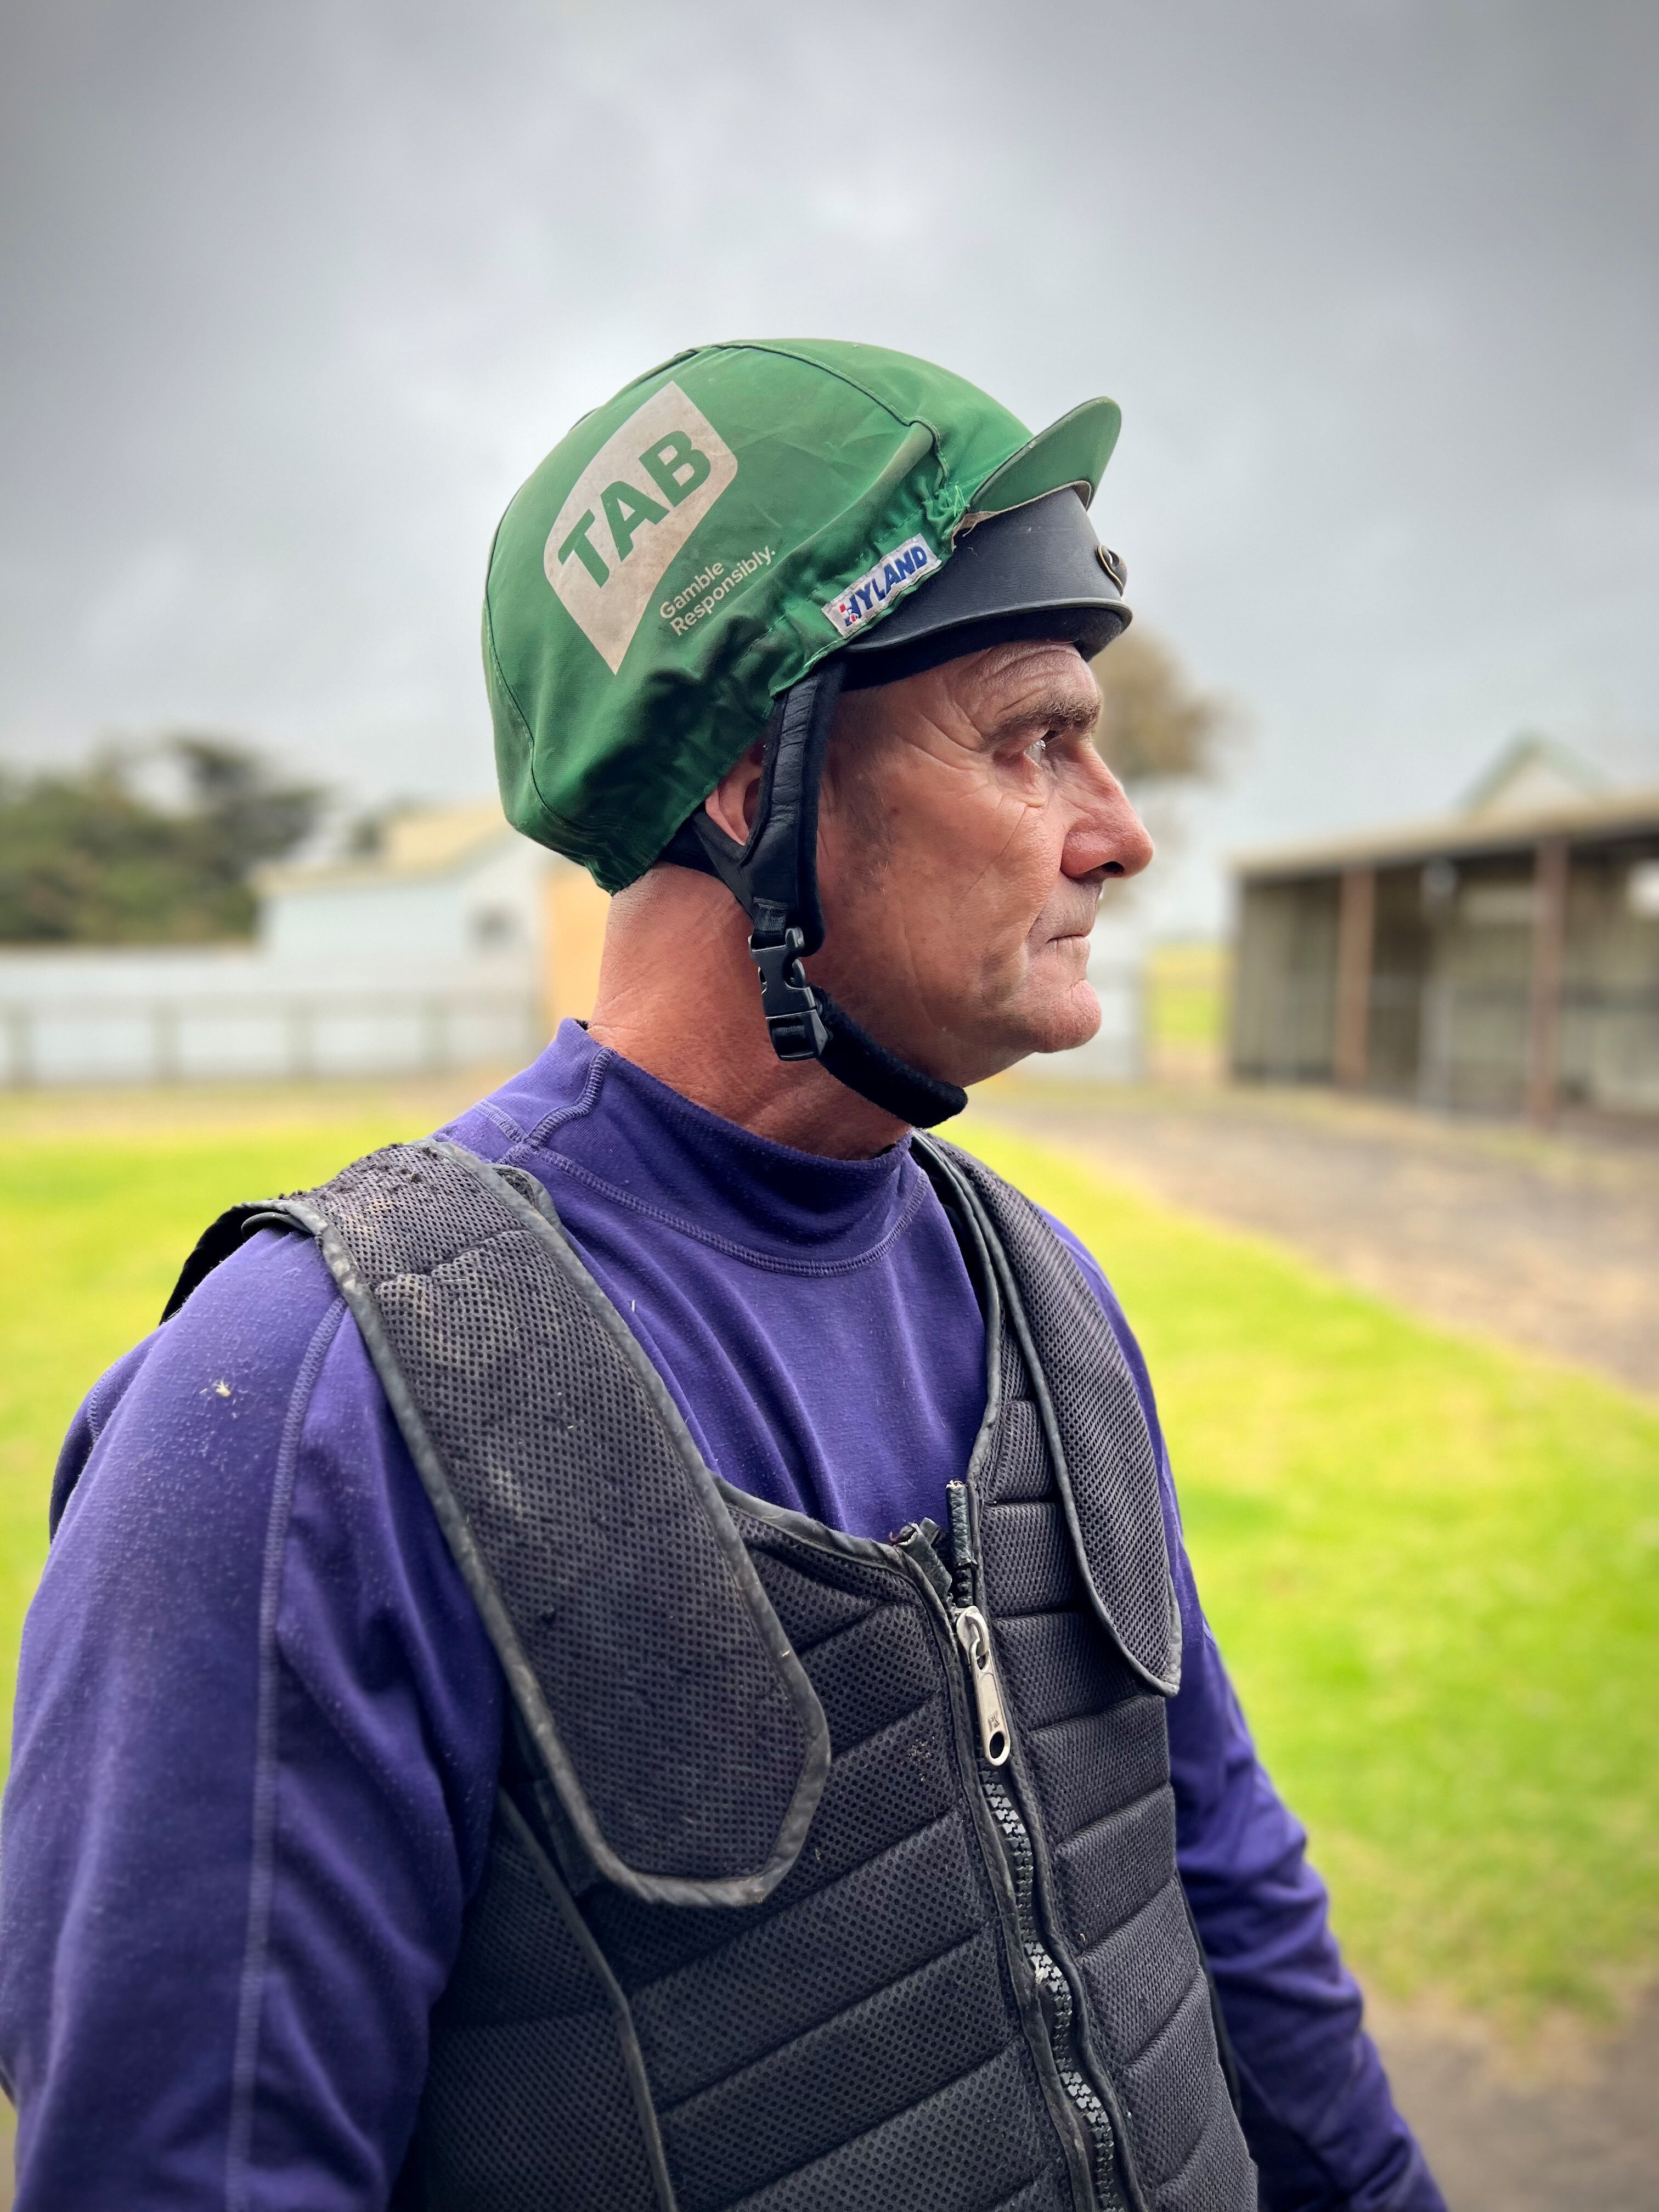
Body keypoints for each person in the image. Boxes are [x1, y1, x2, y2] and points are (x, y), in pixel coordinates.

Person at [0, 340, 1444, 2211]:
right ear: (763, 785)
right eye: (1032, 740)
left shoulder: (1041, 1296)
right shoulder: (302, 1409)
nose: (1122, 831)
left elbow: (1221, 1885)